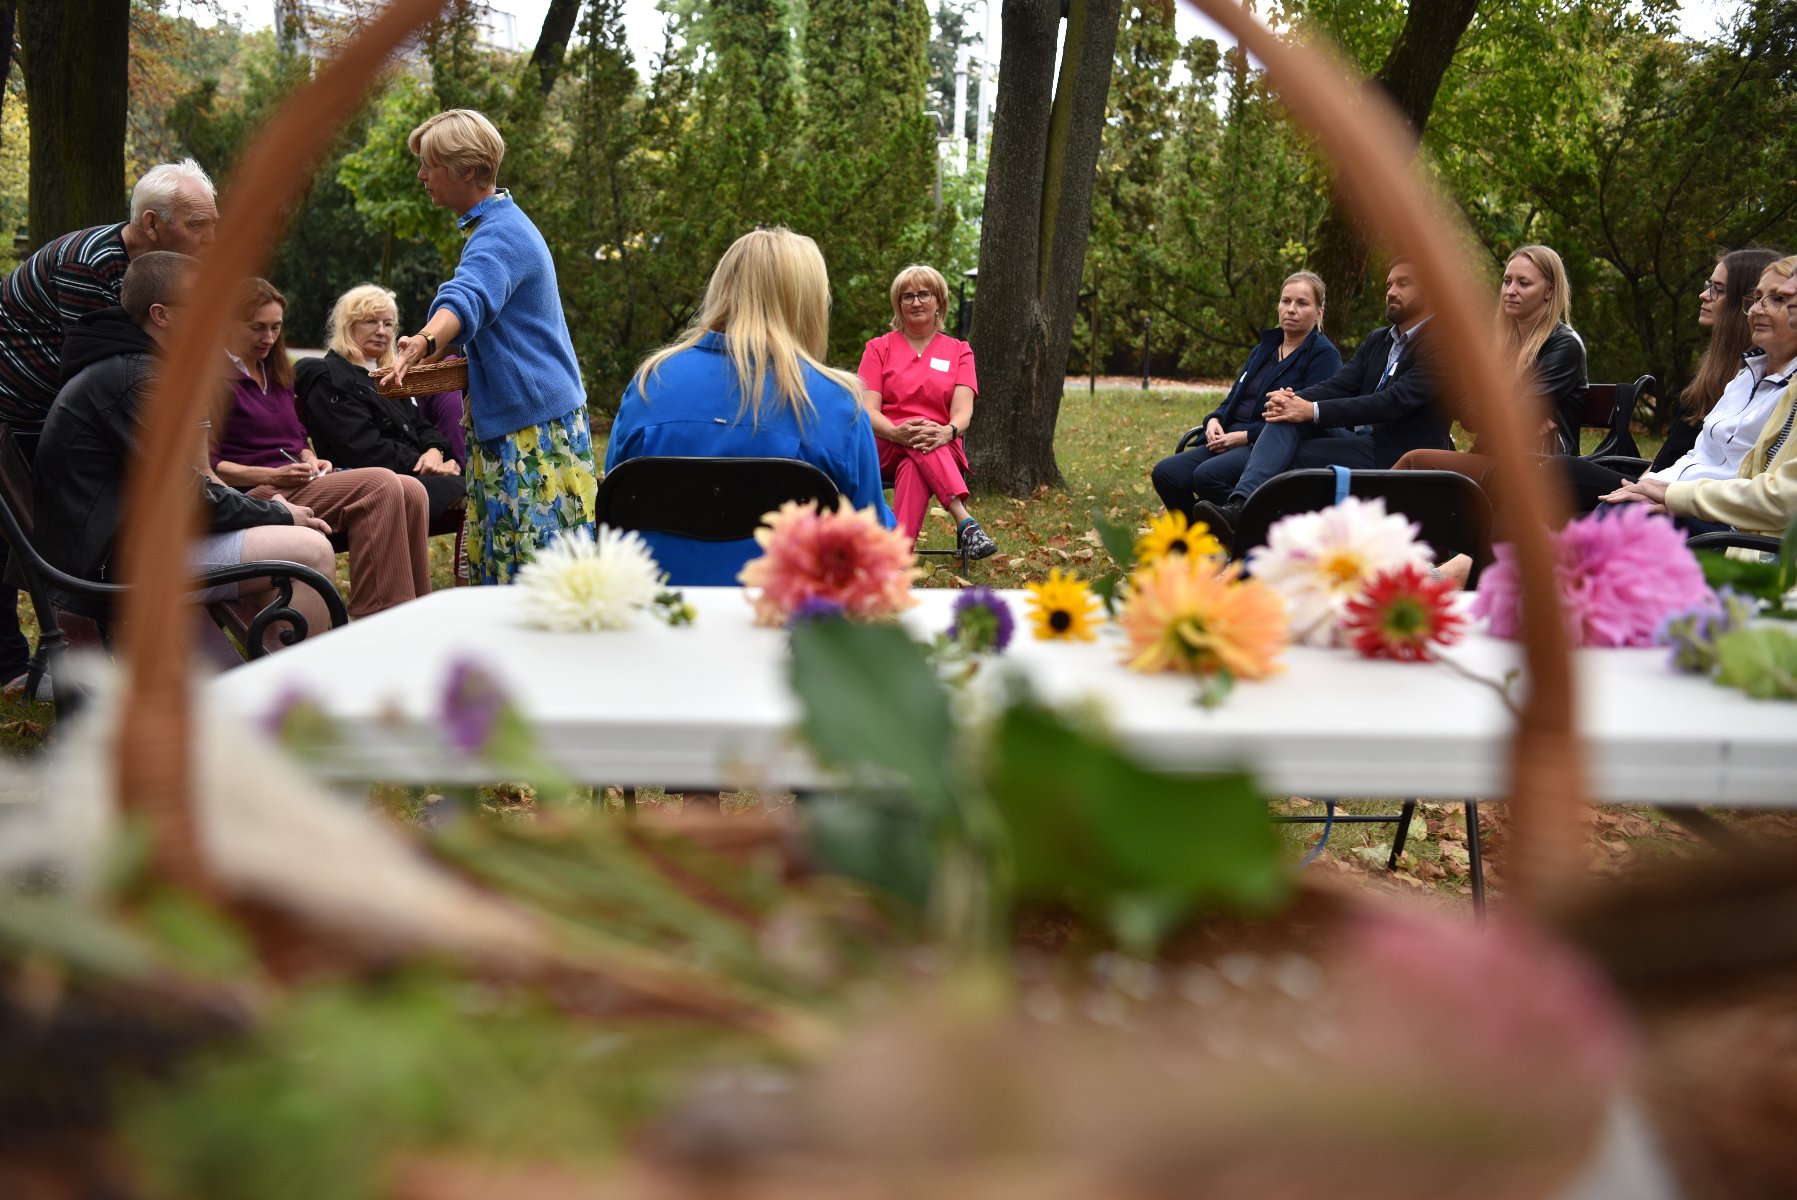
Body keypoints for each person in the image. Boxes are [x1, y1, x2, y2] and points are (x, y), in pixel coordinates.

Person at [31, 252, 338, 644]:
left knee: (278, 546)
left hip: (127, 542)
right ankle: (295, 695)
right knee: (311, 550)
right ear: (161, 315)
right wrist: (278, 512)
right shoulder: (140, 379)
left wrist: (267, 514)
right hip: (114, 565)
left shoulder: (133, 366)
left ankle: (270, 683)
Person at [0, 159, 219, 689]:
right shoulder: (92, 265)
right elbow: (112, 376)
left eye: (215, 223)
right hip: (13, 413)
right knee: (18, 541)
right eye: (198, 226)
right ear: (150, 224)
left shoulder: (160, 272)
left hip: (52, 410)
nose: (212, 239)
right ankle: (21, 667)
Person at [379, 108, 597, 584]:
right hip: (535, 421)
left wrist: (423, 340)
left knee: (534, 579)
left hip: (532, 435)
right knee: (534, 570)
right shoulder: (499, 225)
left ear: (469, 170)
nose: (421, 176)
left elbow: (468, 297)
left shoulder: (500, 234)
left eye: (429, 165)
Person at [606, 226, 895, 585]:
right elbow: (873, 547)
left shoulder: (650, 385)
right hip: (787, 628)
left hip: (661, 618)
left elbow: (612, 513)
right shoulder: (837, 405)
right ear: (806, 303)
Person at [211, 278, 434, 618]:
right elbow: (210, 468)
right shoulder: (213, 379)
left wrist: (311, 459)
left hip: (296, 483)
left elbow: (296, 437)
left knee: (413, 489)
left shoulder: (275, 371)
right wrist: (274, 474)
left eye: (276, 328)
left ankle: (416, 614)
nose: (269, 338)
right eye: (257, 328)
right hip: (251, 495)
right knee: (381, 484)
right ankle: (377, 618)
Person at [1195, 257, 1449, 548]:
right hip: (1361, 439)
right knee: (1288, 419)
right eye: (1389, 284)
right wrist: (1293, 399)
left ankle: (1257, 535)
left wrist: (1311, 410)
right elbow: (1341, 384)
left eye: (1403, 284)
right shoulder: (1380, 339)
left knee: (1295, 459)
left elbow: (1392, 402)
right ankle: (1239, 509)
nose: (1391, 291)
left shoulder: (1443, 344)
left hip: (1397, 451)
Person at [1558, 247, 1782, 511]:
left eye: (1717, 289)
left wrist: (1651, 490)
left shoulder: (1760, 381)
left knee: (1560, 472)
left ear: (1738, 303)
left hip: (1688, 500)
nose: (1704, 295)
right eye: (1708, 285)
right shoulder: (1734, 375)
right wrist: (1644, 484)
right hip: (1665, 485)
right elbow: (1687, 456)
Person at [1605, 259, 1797, 537]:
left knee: (1604, 506)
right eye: (1755, 299)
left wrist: (1673, 496)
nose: (1757, 309)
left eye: (1779, 299)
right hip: (1684, 497)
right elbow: (1697, 452)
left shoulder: (1788, 391)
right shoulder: (1744, 377)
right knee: (1609, 506)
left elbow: (1769, 493)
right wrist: (1652, 483)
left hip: (1724, 523)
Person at [1151, 271, 1341, 519]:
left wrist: (1245, 436)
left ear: (1319, 313)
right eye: (1286, 301)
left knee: (1208, 475)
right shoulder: (1264, 348)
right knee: (1166, 473)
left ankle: (1246, 537)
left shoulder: (1323, 355)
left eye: (1302, 303)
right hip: (1229, 436)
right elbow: (1232, 400)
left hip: (1267, 444)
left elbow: (1308, 419)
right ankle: (1204, 546)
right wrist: (1214, 420)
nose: (1291, 309)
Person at [1394, 244, 1586, 481]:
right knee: (1416, 466)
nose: (1510, 290)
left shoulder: (1563, 346)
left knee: (1415, 462)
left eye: (1523, 283)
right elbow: (1463, 407)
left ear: (1549, 291)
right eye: (1507, 281)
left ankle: (1363, 517)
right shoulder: (1500, 346)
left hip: (1535, 467)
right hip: (1492, 458)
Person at [855, 265, 997, 559]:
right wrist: (897, 432)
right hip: (887, 443)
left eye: (924, 294)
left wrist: (947, 431)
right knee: (917, 436)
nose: (916, 302)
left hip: (941, 442)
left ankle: (896, 559)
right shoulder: (878, 348)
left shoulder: (960, 351)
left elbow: (962, 412)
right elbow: (868, 410)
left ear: (939, 302)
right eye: (907, 296)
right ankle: (965, 522)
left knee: (916, 462)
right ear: (898, 304)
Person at [297, 283, 466, 523]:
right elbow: (360, 448)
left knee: (475, 489)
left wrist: (434, 452)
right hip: (366, 484)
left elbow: (422, 427)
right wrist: (422, 464)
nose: (381, 331)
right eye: (371, 321)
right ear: (349, 324)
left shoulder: (383, 377)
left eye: (388, 324)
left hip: (404, 476)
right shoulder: (330, 375)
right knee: (473, 494)